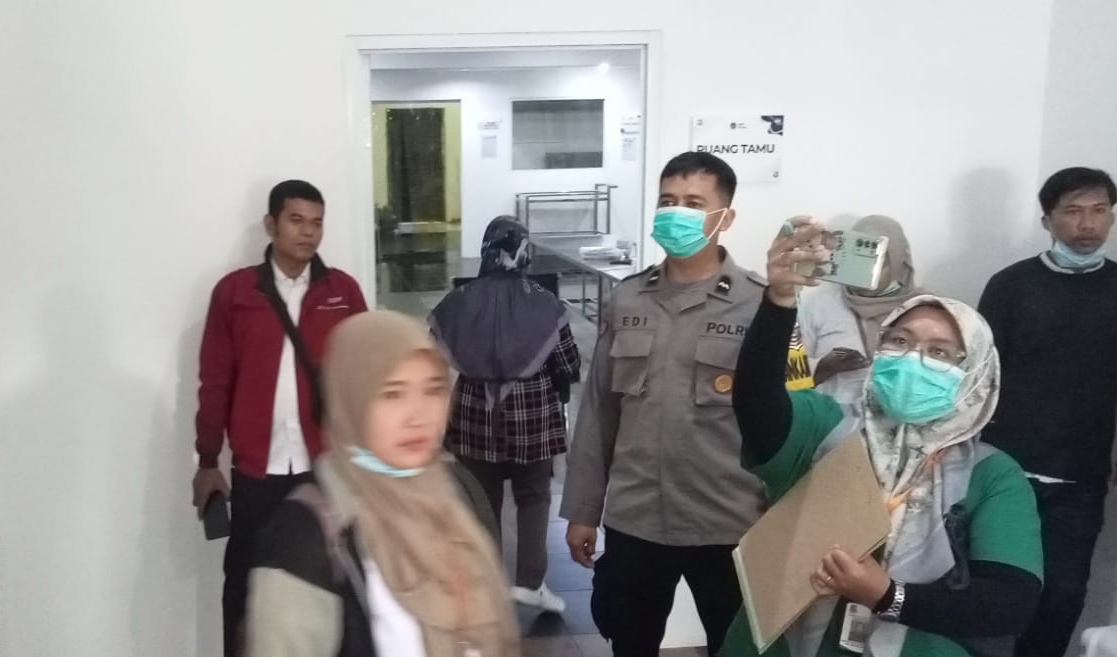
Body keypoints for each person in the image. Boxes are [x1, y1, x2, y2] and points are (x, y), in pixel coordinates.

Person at [720, 218, 1043, 657]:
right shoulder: (829, 425)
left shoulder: (991, 475)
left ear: (974, 375)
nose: (913, 359)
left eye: (940, 352)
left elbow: (1008, 604)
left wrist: (888, 596)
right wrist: (779, 300)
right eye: (900, 341)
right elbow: (757, 404)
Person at [560, 151, 767, 657]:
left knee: (737, 647)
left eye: (694, 203)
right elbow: (599, 412)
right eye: (668, 201)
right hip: (637, 519)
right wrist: (583, 510)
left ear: (725, 217)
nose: (677, 213)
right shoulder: (628, 299)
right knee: (630, 643)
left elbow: (787, 424)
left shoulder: (762, 304)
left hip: (729, 520)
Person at [246, 311, 522, 657]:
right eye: (392, 394)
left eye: (433, 390)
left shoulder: (457, 490)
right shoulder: (307, 534)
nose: (418, 416)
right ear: (353, 399)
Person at [978, 167, 1117, 657]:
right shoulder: (1011, 285)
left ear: (1111, 218)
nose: (1087, 223)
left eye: (1099, 211)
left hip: (1080, 475)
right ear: (1048, 221)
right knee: (994, 590)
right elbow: (981, 373)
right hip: (1004, 468)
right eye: (1074, 211)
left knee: (1062, 596)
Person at [193, 179, 370, 656]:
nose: (308, 232)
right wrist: (207, 459)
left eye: (317, 223)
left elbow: (362, 376)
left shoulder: (342, 292)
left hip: (325, 468)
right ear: (271, 224)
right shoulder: (235, 293)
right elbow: (215, 380)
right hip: (257, 471)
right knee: (245, 586)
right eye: (296, 220)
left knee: (330, 583)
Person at [430, 215, 582, 614]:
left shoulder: (458, 301)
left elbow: (433, 356)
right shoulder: (545, 302)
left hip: (473, 414)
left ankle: (484, 587)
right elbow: (568, 363)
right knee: (533, 497)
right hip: (533, 414)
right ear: (524, 251)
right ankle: (531, 584)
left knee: (481, 501)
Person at [795, 215, 924, 404]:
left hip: (900, 419)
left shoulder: (925, 310)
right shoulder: (818, 305)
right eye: (858, 259)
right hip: (832, 419)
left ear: (898, 263)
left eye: (879, 262)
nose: (865, 271)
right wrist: (824, 366)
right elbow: (788, 376)